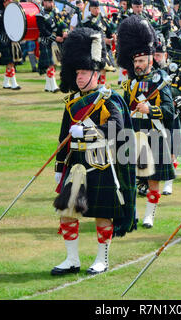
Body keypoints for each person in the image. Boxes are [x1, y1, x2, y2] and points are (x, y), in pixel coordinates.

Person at [51, 27, 136, 276]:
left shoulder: (109, 99)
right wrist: (59, 167)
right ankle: (71, 259)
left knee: (102, 216)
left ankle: (102, 259)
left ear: (97, 74)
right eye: (77, 72)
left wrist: (87, 131)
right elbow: (63, 137)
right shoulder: (72, 102)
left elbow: (116, 128)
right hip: (76, 164)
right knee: (66, 212)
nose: (79, 77)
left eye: (84, 72)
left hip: (101, 163)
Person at [117, 15, 175, 228]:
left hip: (153, 134)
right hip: (132, 135)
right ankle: (131, 213)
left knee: (153, 179)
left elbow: (170, 112)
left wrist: (151, 109)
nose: (138, 65)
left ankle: (149, 215)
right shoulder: (129, 84)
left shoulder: (161, 82)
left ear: (151, 60)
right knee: (128, 178)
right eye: (135, 62)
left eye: (141, 61)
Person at [36, 0, 67, 93]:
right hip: (46, 41)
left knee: (53, 63)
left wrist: (64, 31)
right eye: (49, 2)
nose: (51, 4)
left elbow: (62, 23)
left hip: (55, 41)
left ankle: (47, 86)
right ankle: (53, 85)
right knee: (51, 63)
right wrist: (55, 38)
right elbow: (43, 30)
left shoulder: (55, 13)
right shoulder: (40, 15)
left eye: (52, 2)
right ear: (44, 3)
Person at [0, 0, 21, 89]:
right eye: (8, 1)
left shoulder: (16, 14)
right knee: (10, 62)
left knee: (11, 62)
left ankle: (5, 83)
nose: (10, 2)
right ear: (4, 3)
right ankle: (14, 83)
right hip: (4, 40)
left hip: (14, 40)